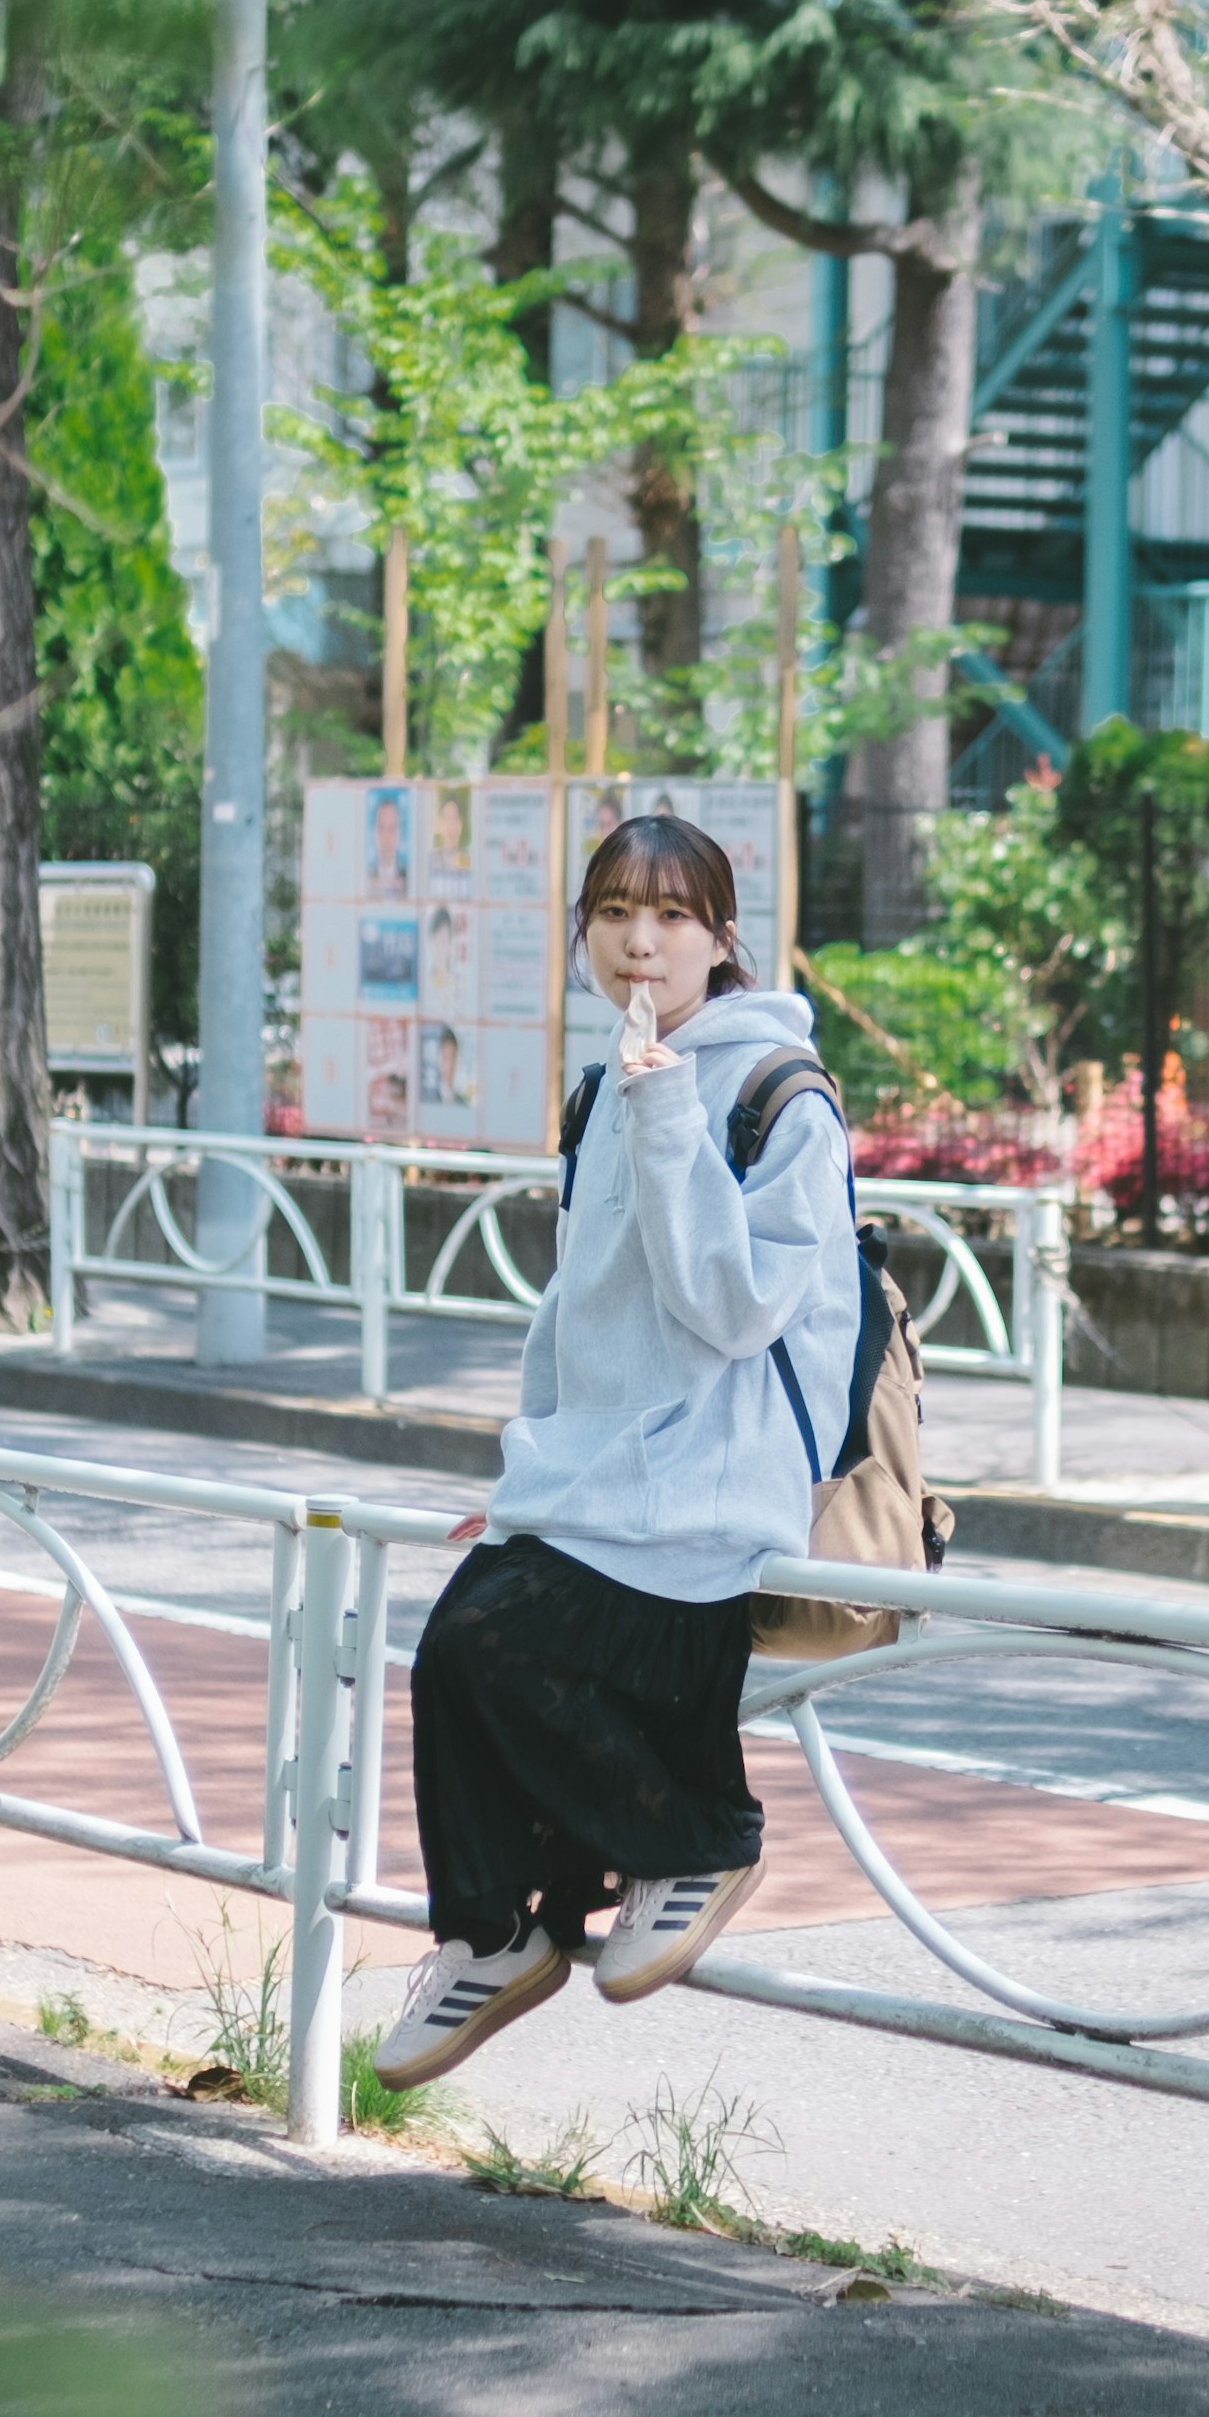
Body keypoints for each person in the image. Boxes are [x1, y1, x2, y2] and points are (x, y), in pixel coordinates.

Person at [373, 814, 861, 2091]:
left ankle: (699, 1838)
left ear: (721, 935)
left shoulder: (778, 1096)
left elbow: (732, 1305)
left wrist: (666, 1113)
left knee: (491, 1646)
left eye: (673, 916)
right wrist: (526, 1482)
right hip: (604, 1479)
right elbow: (575, 1314)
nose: (641, 942)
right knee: (454, 1655)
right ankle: (502, 1932)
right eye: (613, 915)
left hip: (712, 1488)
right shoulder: (613, 1079)